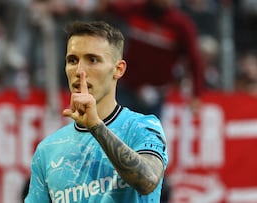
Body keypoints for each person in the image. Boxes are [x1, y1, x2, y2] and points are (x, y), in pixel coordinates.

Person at [25, 21, 168, 202]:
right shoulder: (47, 150)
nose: (79, 71)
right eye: (72, 60)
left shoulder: (142, 127)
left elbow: (148, 181)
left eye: (92, 60)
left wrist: (96, 126)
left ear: (118, 69)